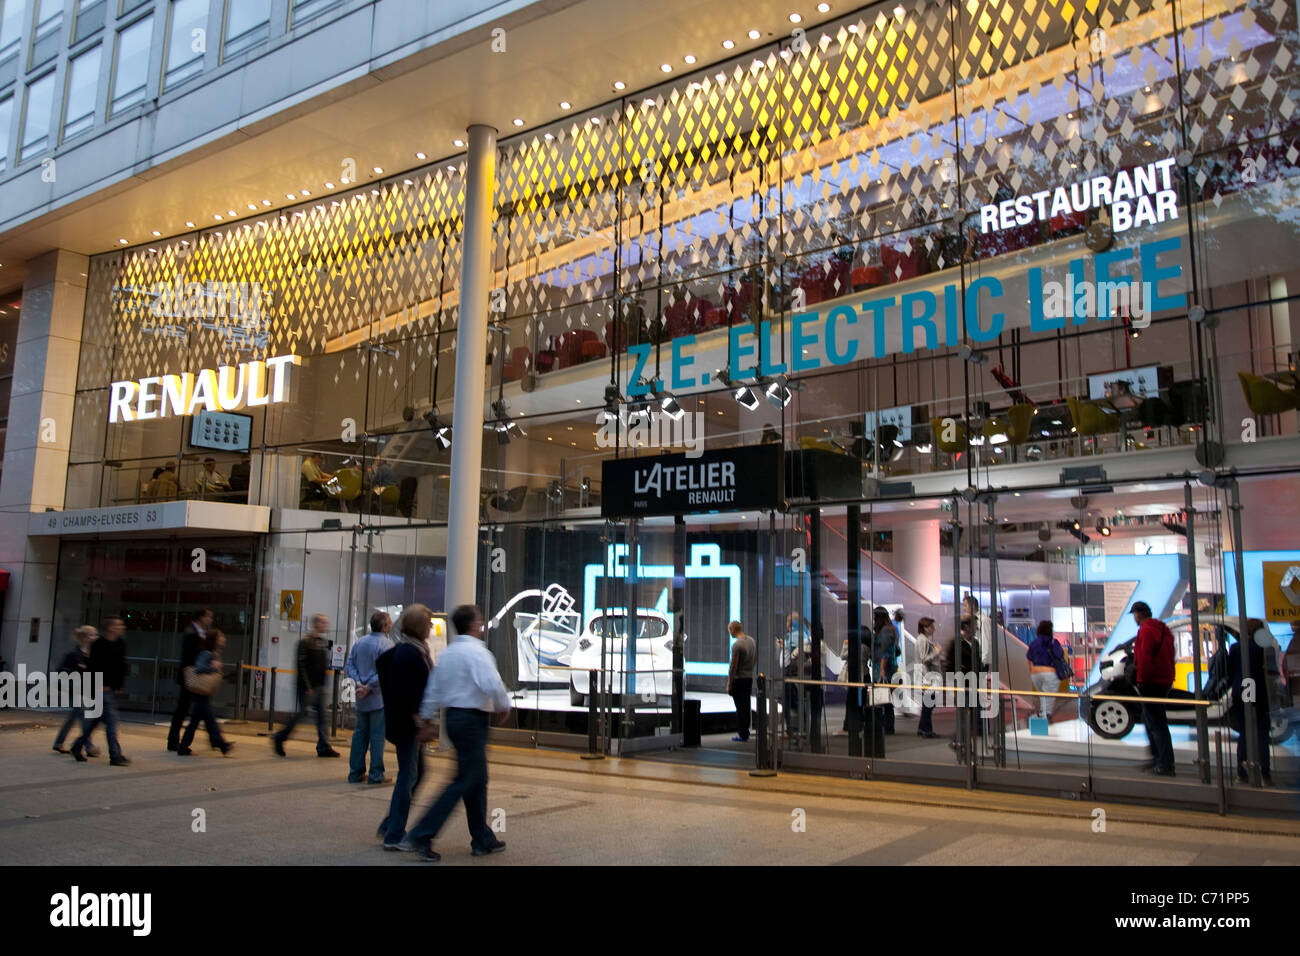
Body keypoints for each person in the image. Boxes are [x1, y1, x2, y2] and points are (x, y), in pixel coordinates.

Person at [396, 605, 510, 862]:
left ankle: (482, 837)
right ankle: (420, 835)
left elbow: (434, 688)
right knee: (463, 780)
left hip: (454, 720)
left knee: (477, 778)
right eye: (479, 620)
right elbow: (491, 683)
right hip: (473, 721)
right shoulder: (478, 652)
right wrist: (503, 705)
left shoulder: (448, 654)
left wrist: (426, 719)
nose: (482, 624)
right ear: (472, 625)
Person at [377, 605, 435, 849]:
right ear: (421, 627)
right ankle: (394, 833)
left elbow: (382, 666)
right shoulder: (410, 654)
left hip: (404, 723)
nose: (432, 627)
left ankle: (390, 824)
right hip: (407, 726)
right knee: (409, 775)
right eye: (429, 623)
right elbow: (408, 693)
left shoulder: (407, 650)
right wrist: (421, 721)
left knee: (418, 773)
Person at [273, 614, 340, 757]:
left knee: (322, 716)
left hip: (320, 686)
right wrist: (307, 685)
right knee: (300, 715)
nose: (326, 625)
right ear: (316, 624)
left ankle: (323, 746)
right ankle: (280, 737)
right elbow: (301, 665)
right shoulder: (305, 642)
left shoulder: (321, 642)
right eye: (323, 622)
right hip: (309, 688)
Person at [70, 617, 130, 766]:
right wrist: (98, 685)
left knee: (96, 721)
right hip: (100, 689)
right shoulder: (98, 645)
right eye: (119, 625)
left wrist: (118, 685)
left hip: (110, 689)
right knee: (111, 722)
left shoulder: (121, 644)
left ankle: (77, 746)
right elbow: (93, 666)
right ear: (110, 628)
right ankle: (115, 756)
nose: (122, 627)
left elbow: (120, 667)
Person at [347, 610, 394, 784]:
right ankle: (376, 774)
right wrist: (370, 686)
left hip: (361, 698)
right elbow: (385, 672)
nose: (391, 625)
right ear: (384, 626)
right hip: (378, 698)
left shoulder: (359, 643)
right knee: (377, 736)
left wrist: (359, 683)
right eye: (389, 622)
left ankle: (355, 773)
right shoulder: (387, 645)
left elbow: (350, 664)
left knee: (359, 734)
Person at [1131, 601, 1175, 776]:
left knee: (1157, 723)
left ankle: (1165, 763)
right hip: (1164, 680)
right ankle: (1159, 758)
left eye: (1134, 614)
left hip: (1150, 682)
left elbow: (1144, 657)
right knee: (1152, 720)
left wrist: (1141, 680)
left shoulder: (1145, 630)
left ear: (1138, 614)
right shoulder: (1163, 628)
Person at [1228, 619, 1275, 785]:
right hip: (1259, 692)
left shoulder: (1235, 648)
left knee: (1244, 733)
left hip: (1242, 692)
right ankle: (1265, 773)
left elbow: (1230, 672)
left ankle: (1242, 772)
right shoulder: (1263, 648)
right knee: (1262, 733)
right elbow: (1271, 671)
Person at [176, 630, 235, 756]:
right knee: (209, 719)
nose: (224, 639)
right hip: (200, 692)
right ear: (215, 640)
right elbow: (198, 668)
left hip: (203, 692)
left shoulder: (213, 653)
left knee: (195, 721)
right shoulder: (207, 653)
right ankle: (220, 743)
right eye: (221, 637)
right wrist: (214, 667)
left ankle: (184, 747)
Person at [168, 608, 212, 752]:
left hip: (193, 676)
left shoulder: (199, 632)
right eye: (208, 617)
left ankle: (179, 741)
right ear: (201, 618)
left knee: (192, 709)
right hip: (190, 676)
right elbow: (190, 656)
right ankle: (175, 741)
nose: (210, 620)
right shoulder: (191, 633)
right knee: (185, 709)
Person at [52, 626, 97, 754]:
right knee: (84, 716)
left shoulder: (93, 655)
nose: (96, 638)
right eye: (93, 635)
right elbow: (61, 671)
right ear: (84, 638)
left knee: (74, 716)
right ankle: (88, 746)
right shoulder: (73, 655)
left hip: (87, 689)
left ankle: (59, 742)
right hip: (74, 689)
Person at [1026, 620, 1066, 719]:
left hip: (1035, 673)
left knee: (1042, 696)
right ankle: (1045, 716)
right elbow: (1059, 655)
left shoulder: (1034, 643)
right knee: (1049, 696)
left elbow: (1029, 657)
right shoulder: (1053, 642)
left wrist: (1031, 669)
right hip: (1050, 672)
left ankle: (1042, 714)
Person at [726, 621, 756, 743]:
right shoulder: (751, 641)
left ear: (732, 629)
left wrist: (729, 683)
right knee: (746, 705)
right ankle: (745, 731)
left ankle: (742, 733)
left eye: (730, 630)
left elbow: (733, 666)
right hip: (748, 678)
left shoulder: (737, 646)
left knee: (740, 707)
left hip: (739, 679)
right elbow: (754, 659)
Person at [871, 607, 898, 734]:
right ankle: (886, 725)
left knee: (884, 698)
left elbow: (886, 652)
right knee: (884, 698)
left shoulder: (886, 631)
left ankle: (888, 726)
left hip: (884, 669)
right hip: (884, 667)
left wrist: (881, 669)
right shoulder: (887, 630)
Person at [914, 616, 941, 738]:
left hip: (926, 675)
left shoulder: (922, 639)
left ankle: (922, 728)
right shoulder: (923, 640)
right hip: (927, 676)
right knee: (929, 704)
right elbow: (925, 659)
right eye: (931, 627)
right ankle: (926, 729)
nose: (933, 629)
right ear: (925, 628)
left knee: (928, 703)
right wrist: (936, 651)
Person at [962, 595, 992, 668]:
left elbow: (985, 641)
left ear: (972, 606)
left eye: (965, 606)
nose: (964, 608)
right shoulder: (972, 620)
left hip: (981, 661)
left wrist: (982, 662)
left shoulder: (983, 620)